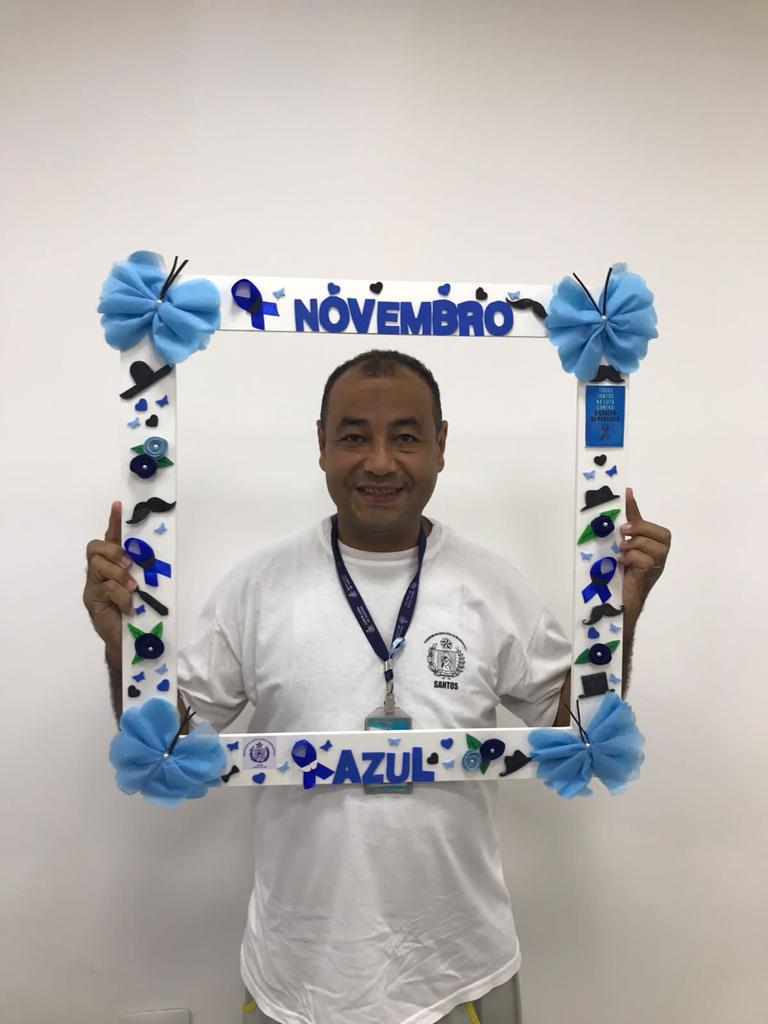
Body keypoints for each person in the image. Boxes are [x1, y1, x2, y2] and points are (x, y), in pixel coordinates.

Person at [83, 349, 671, 1024]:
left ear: (441, 445)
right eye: (354, 436)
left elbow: (578, 737)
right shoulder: (257, 588)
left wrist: (615, 621)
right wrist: (125, 650)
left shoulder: (492, 587)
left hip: (461, 974)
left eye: (407, 437)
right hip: (295, 981)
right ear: (322, 445)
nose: (381, 462)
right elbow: (169, 750)